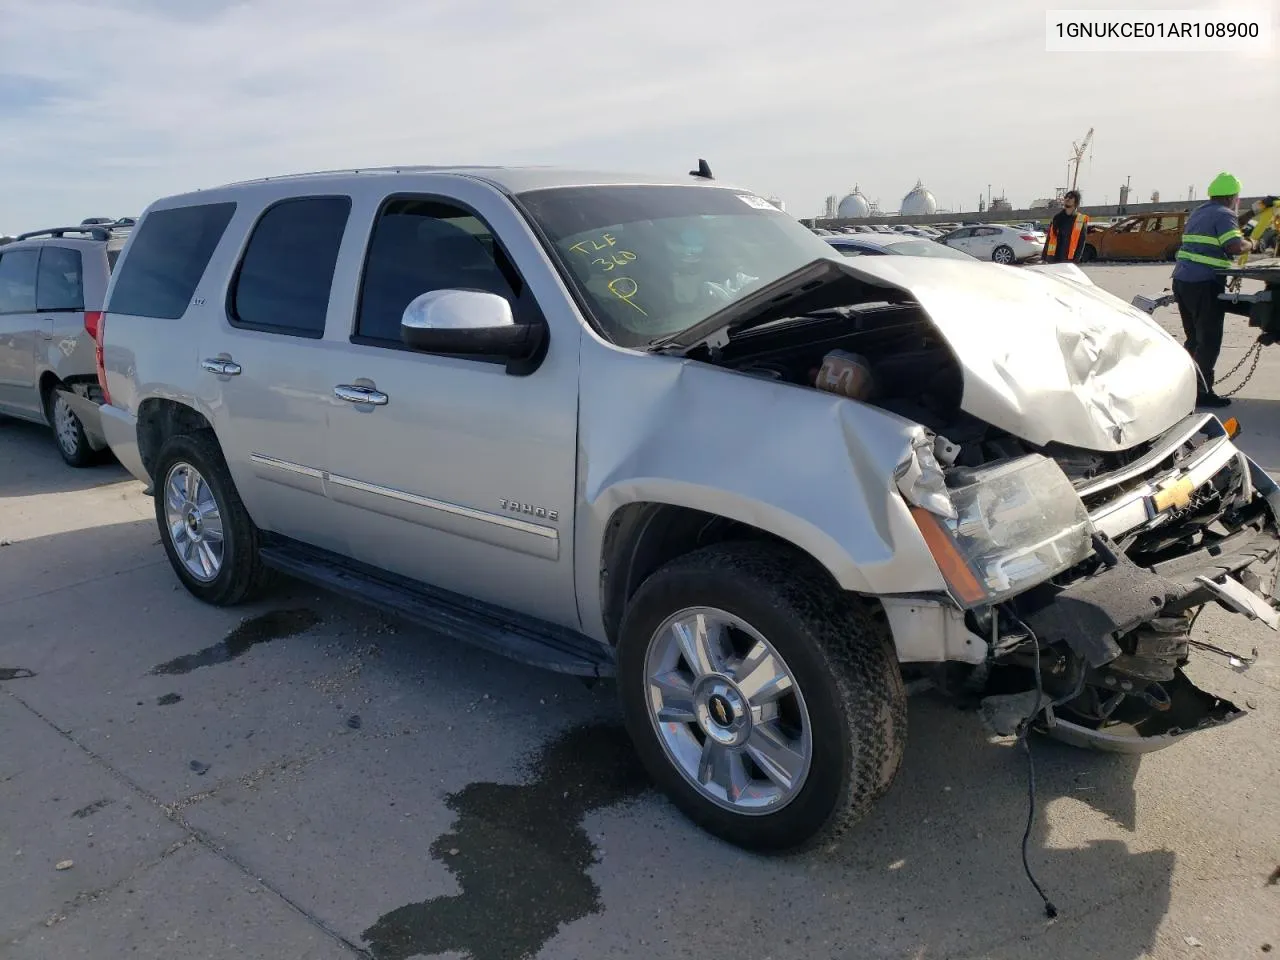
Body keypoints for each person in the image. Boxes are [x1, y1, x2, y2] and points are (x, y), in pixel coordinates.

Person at [1172, 172, 1254, 408]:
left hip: (1183, 281)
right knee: (1208, 340)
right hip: (1203, 283)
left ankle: (1187, 387)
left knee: (1194, 339)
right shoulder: (1225, 214)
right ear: (1233, 197)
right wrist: (1254, 243)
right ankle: (1202, 393)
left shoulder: (1202, 211)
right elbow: (1235, 245)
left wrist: (1255, 213)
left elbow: (1230, 227)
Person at [1042, 190, 1089, 263]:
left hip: (1069, 259)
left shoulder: (1080, 220)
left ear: (1076, 202)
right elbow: (1049, 238)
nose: (1067, 199)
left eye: (1070, 197)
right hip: (1053, 258)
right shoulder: (1057, 218)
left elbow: (1081, 242)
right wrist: (1044, 257)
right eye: (1066, 197)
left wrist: (1076, 259)